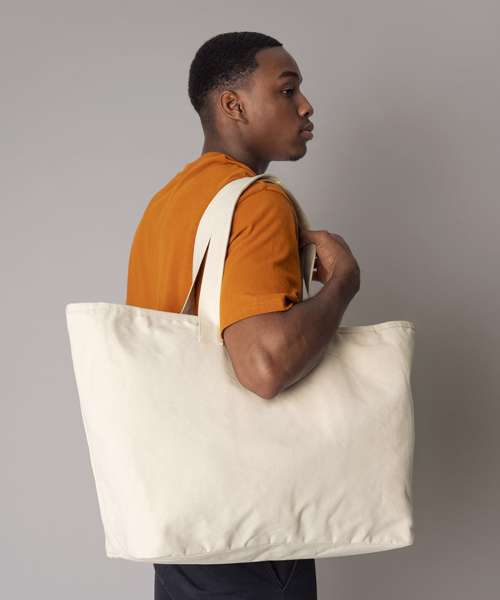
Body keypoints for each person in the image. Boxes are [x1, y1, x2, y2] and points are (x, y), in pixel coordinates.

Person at [126, 31, 360, 600]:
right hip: (248, 526)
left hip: (179, 518)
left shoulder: (166, 204)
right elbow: (263, 366)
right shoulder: (257, 201)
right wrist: (343, 287)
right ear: (233, 104)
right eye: (287, 90)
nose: (305, 106)